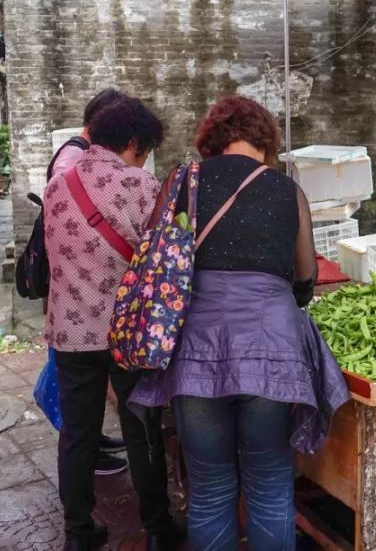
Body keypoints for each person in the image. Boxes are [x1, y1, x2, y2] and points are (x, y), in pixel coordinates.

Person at [127, 95, 349, 551]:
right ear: (265, 143)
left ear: (212, 141)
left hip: (194, 349)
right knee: (270, 486)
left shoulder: (181, 180)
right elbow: (305, 275)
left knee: (209, 492)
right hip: (272, 349)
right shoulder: (288, 190)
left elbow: (156, 262)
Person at [43, 96, 183, 551]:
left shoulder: (57, 187)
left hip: (70, 330)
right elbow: (162, 262)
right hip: (129, 332)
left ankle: (78, 532)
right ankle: (159, 527)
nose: (142, 161)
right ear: (131, 143)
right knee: (140, 426)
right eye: (142, 151)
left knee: (78, 433)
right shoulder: (140, 186)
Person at [41, 87, 130, 476]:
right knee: (88, 421)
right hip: (93, 310)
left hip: (73, 318)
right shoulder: (75, 161)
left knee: (80, 423)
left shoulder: (79, 158)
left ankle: (78, 529)